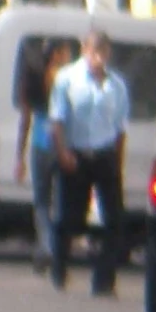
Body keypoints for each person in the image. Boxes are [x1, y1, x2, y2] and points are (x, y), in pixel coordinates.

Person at [47, 30, 130, 298]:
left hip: (104, 156)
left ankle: (104, 279)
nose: (99, 58)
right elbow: (57, 120)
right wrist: (63, 152)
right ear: (84, 50)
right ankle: (59, 270)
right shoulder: (67, 79)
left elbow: (120, 128)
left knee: (115, 220)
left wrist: (118, 162)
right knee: (69, 218)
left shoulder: (116, 85)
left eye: (103, 52)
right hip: (75, 155)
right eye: (95, 52)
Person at [18, 37, 77, 278]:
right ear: (57, 54)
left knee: (42, 201)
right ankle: (53, 248)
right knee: (60, 200)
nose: (70, 57)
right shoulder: (69, 80)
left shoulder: (33, 79)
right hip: (62, 142)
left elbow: (25, 119)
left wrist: (19, 155)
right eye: (67, 52)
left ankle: (46, 246)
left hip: (40, 143)